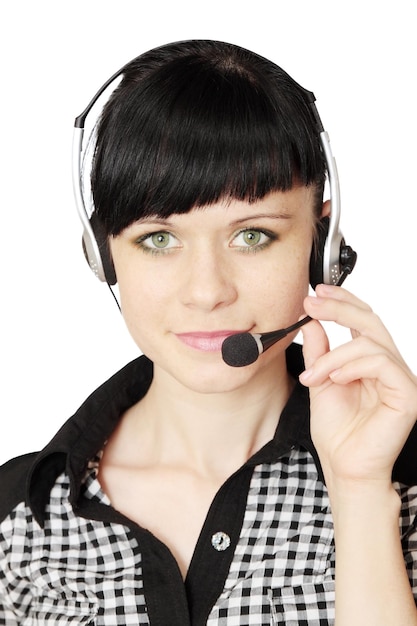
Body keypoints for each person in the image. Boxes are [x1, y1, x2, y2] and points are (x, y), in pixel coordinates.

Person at [1, 39, 416, 626]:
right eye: (159, 239)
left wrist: (361, 492)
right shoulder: (18, 520)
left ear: (322, 246)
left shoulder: (402, 488)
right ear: (104, 255)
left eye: (252, 235)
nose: (206, 290)